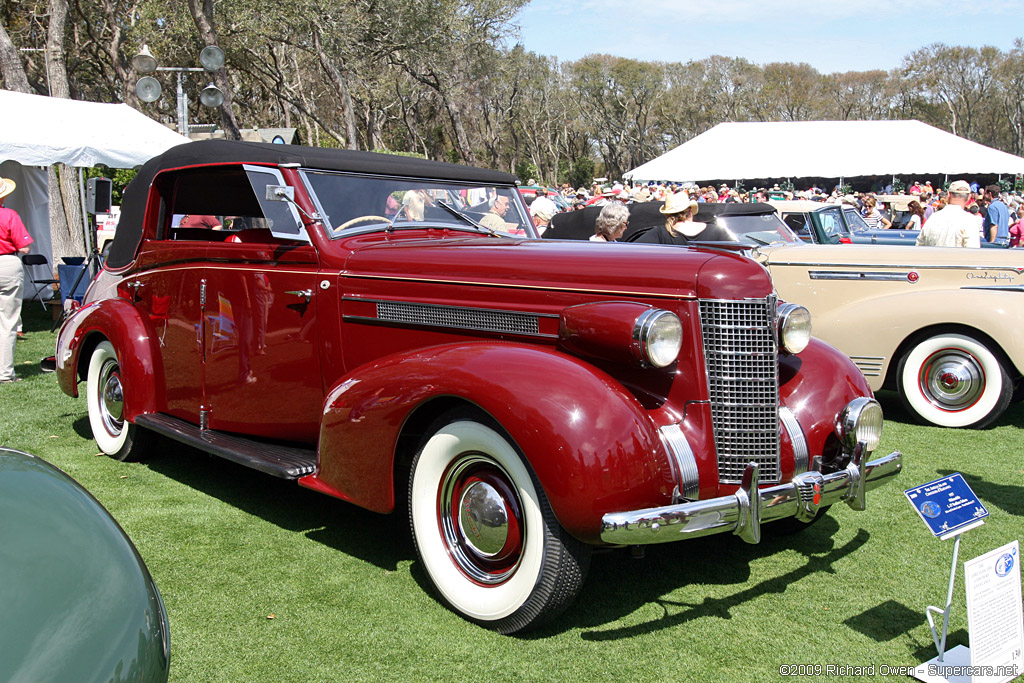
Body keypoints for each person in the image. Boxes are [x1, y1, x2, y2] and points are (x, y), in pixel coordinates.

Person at [0, 177, 32, 383]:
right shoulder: (9, 215)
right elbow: (24, 247)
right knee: (8, 321)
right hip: (7, 265)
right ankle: (4, 373)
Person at [634, 192, 725, 244]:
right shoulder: (715, 231)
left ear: (667, 214)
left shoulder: (659, 233)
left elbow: (633, 251)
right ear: (690, 211)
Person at [916, 180, 981, 248]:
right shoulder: (970, 221)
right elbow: (972, 252)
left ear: (949, 194)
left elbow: (919, 245)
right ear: (969, 197)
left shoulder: (933, 218)